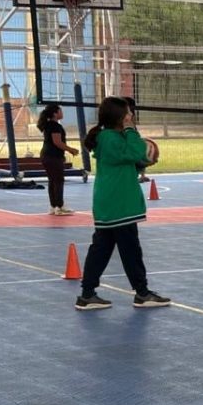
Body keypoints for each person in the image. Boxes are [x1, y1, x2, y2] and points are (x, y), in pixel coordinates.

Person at [74, 96, 169, 310]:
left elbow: (126, 164)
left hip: (111, 202)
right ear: (119, 117)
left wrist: (143, 163)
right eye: (127, 113)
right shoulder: (110, 138)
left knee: (102, 249)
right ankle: (142, 293)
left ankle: (87, 294)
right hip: (119, 204)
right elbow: (135, 151)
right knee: (130, 250)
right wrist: (131, 132)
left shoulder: (110, 138)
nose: (131, 116)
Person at [38, 103, 80, 215]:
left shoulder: (48, 125)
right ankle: (59, 207)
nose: (62, 113)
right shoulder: (55, 126)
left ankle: (53, 206)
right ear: (55, 113)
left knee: (53, 180)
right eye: (60, 111)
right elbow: (57, 142)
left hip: (47, 155)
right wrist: (71, 149)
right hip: (52, 156)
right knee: (58, 181)